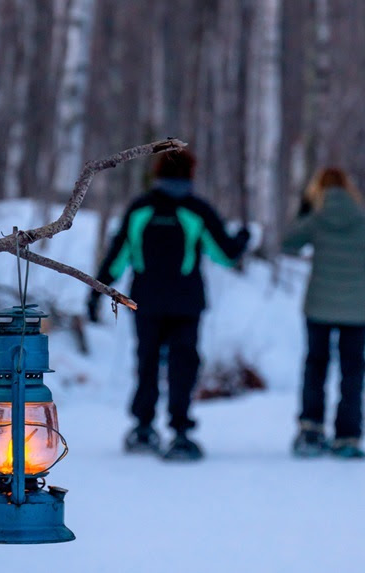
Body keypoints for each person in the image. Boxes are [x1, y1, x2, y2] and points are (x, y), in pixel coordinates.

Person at [87, 149, 249, 461]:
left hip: (145, 300)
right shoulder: (197, 209)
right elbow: (226, 254)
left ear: (157, 173)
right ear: (191, 174)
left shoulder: (140, 209)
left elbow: (117, 257)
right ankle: (180, 432)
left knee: (146, 361)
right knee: (183, 365)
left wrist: (96, 293)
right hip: (187, 303)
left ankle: (143, 427)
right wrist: (242, 238)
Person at [282, 167, 365, 459]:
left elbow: (288, 244)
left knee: (316, 366)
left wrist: (303, 210)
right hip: (358, 309)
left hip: (318, 307)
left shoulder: (316, 220)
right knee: (352, 372)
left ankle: (311, 429)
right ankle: (348, 436)